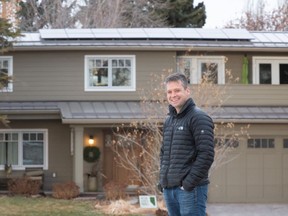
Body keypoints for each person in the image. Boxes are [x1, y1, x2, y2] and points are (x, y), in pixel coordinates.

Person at [158, 72, 215, 216]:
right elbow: (164, 152)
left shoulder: (199, 117)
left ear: (187, 91)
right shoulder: (169, 120)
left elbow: (206, 154)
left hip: (190, 190)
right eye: (169, 92)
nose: (173, 95)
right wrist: (163, 181)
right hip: (170, 189)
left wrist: (188, 184)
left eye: (177, 90)